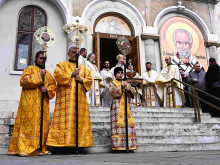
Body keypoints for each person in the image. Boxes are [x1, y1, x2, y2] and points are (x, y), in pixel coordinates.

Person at [8, 51, 57, 156]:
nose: (42, 60)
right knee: (28, 125)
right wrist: (39, 76)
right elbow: (24, 81)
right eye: (40, 58)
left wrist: (47, 90)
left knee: (41, 125)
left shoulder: (48, 73)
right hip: (29, 103)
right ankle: (24, 149)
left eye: (44, 59)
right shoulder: (29, 69)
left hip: (42, 104)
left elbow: (53, 86)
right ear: (35, 59)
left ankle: (41, 148)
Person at [46, 45, 94, 152]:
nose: (75, 55)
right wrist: (71, 74)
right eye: (72, 52)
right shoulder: (61, 65)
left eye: (76, 53)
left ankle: (79, 144)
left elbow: (89, 80)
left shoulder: (84, 68)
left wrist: (81, 79)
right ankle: (62, 145)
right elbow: (58, 76)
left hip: (80, 100)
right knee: (65, 120)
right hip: (65, 100)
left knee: (78, 120)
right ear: (68, 53)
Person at [106, 67, 138, 152]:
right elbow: (113, 93)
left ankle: (130, 146)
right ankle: (118, 146)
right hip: (117, 108)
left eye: (121, 73)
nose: (120, 74)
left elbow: (133, 95)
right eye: (118, 73)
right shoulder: (111, 83)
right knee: (118, 126)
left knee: (128, 125)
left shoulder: (126, 83)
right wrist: (121, 87)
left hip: (127, 107)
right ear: (115, 74)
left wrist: (128, 89)